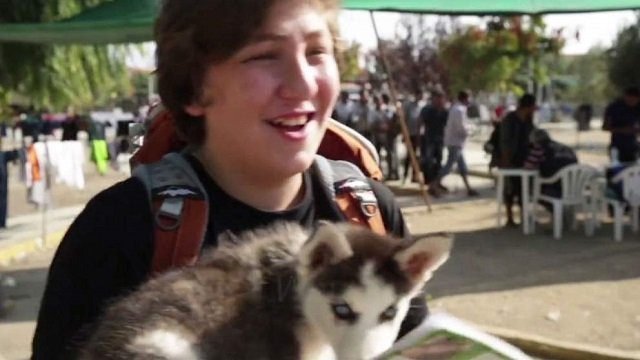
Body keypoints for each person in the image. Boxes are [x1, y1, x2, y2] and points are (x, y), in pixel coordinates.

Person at [31, 1, 427, 358]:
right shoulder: (119, 227)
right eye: (265, 55)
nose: (304, 83)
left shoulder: (366, 208)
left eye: (317, 52)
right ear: (193, 89)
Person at [429, 91, 478, 197]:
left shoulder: (457, 109)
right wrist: (471, 132)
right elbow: (461, 127)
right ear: (465, 99)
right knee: (449, 166)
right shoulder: (459, 110)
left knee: (462, 167)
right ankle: (433, 185)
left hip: (456, 142)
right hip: (455, 142)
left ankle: (469, 188)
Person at [500, 93, 536, 226]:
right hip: (510, 158)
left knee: (524, 188)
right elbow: (505, 141)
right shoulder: (510, 119)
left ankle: (524, 216)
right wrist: (506, 159)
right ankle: (510, 218)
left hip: (524, 158)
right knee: (510, 188)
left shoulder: (528, 120)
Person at [524, 129, 578, 201]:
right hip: (574, 188)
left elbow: (528, 167)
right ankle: (560, 210)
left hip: (555, 188)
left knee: (533, 191)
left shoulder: (539, 148)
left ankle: (557, 211)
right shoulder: (566, 148)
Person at [602, 87, 640, 163]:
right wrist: (622, 130)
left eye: (634, 100)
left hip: (633, 145)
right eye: (630, 100)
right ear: (625, 97)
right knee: (615, 168)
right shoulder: (614, 107)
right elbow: (605, 127)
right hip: (617, 145)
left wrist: (635, 130)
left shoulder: (638, 108)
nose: (632, 102)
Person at [420, 91, 448, 185]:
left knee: (439, 161)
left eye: (441, 99)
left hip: (440, 139)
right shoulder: (427, 109)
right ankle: (429, 181)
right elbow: (420, 123)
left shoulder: (444, 111)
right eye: (438, 98)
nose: (440, 101)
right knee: (428, 161)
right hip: (429, 139)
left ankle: (437, 182)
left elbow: (447, 125)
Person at [402, 90, 426, 183]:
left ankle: (414, 176)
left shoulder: (423, 106)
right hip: (411, 134)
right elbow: (405, 120)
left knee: (418, 156)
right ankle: (405, 176)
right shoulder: (409, 106)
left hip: (420, 135)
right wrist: (405, 134)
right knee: (409, 156)